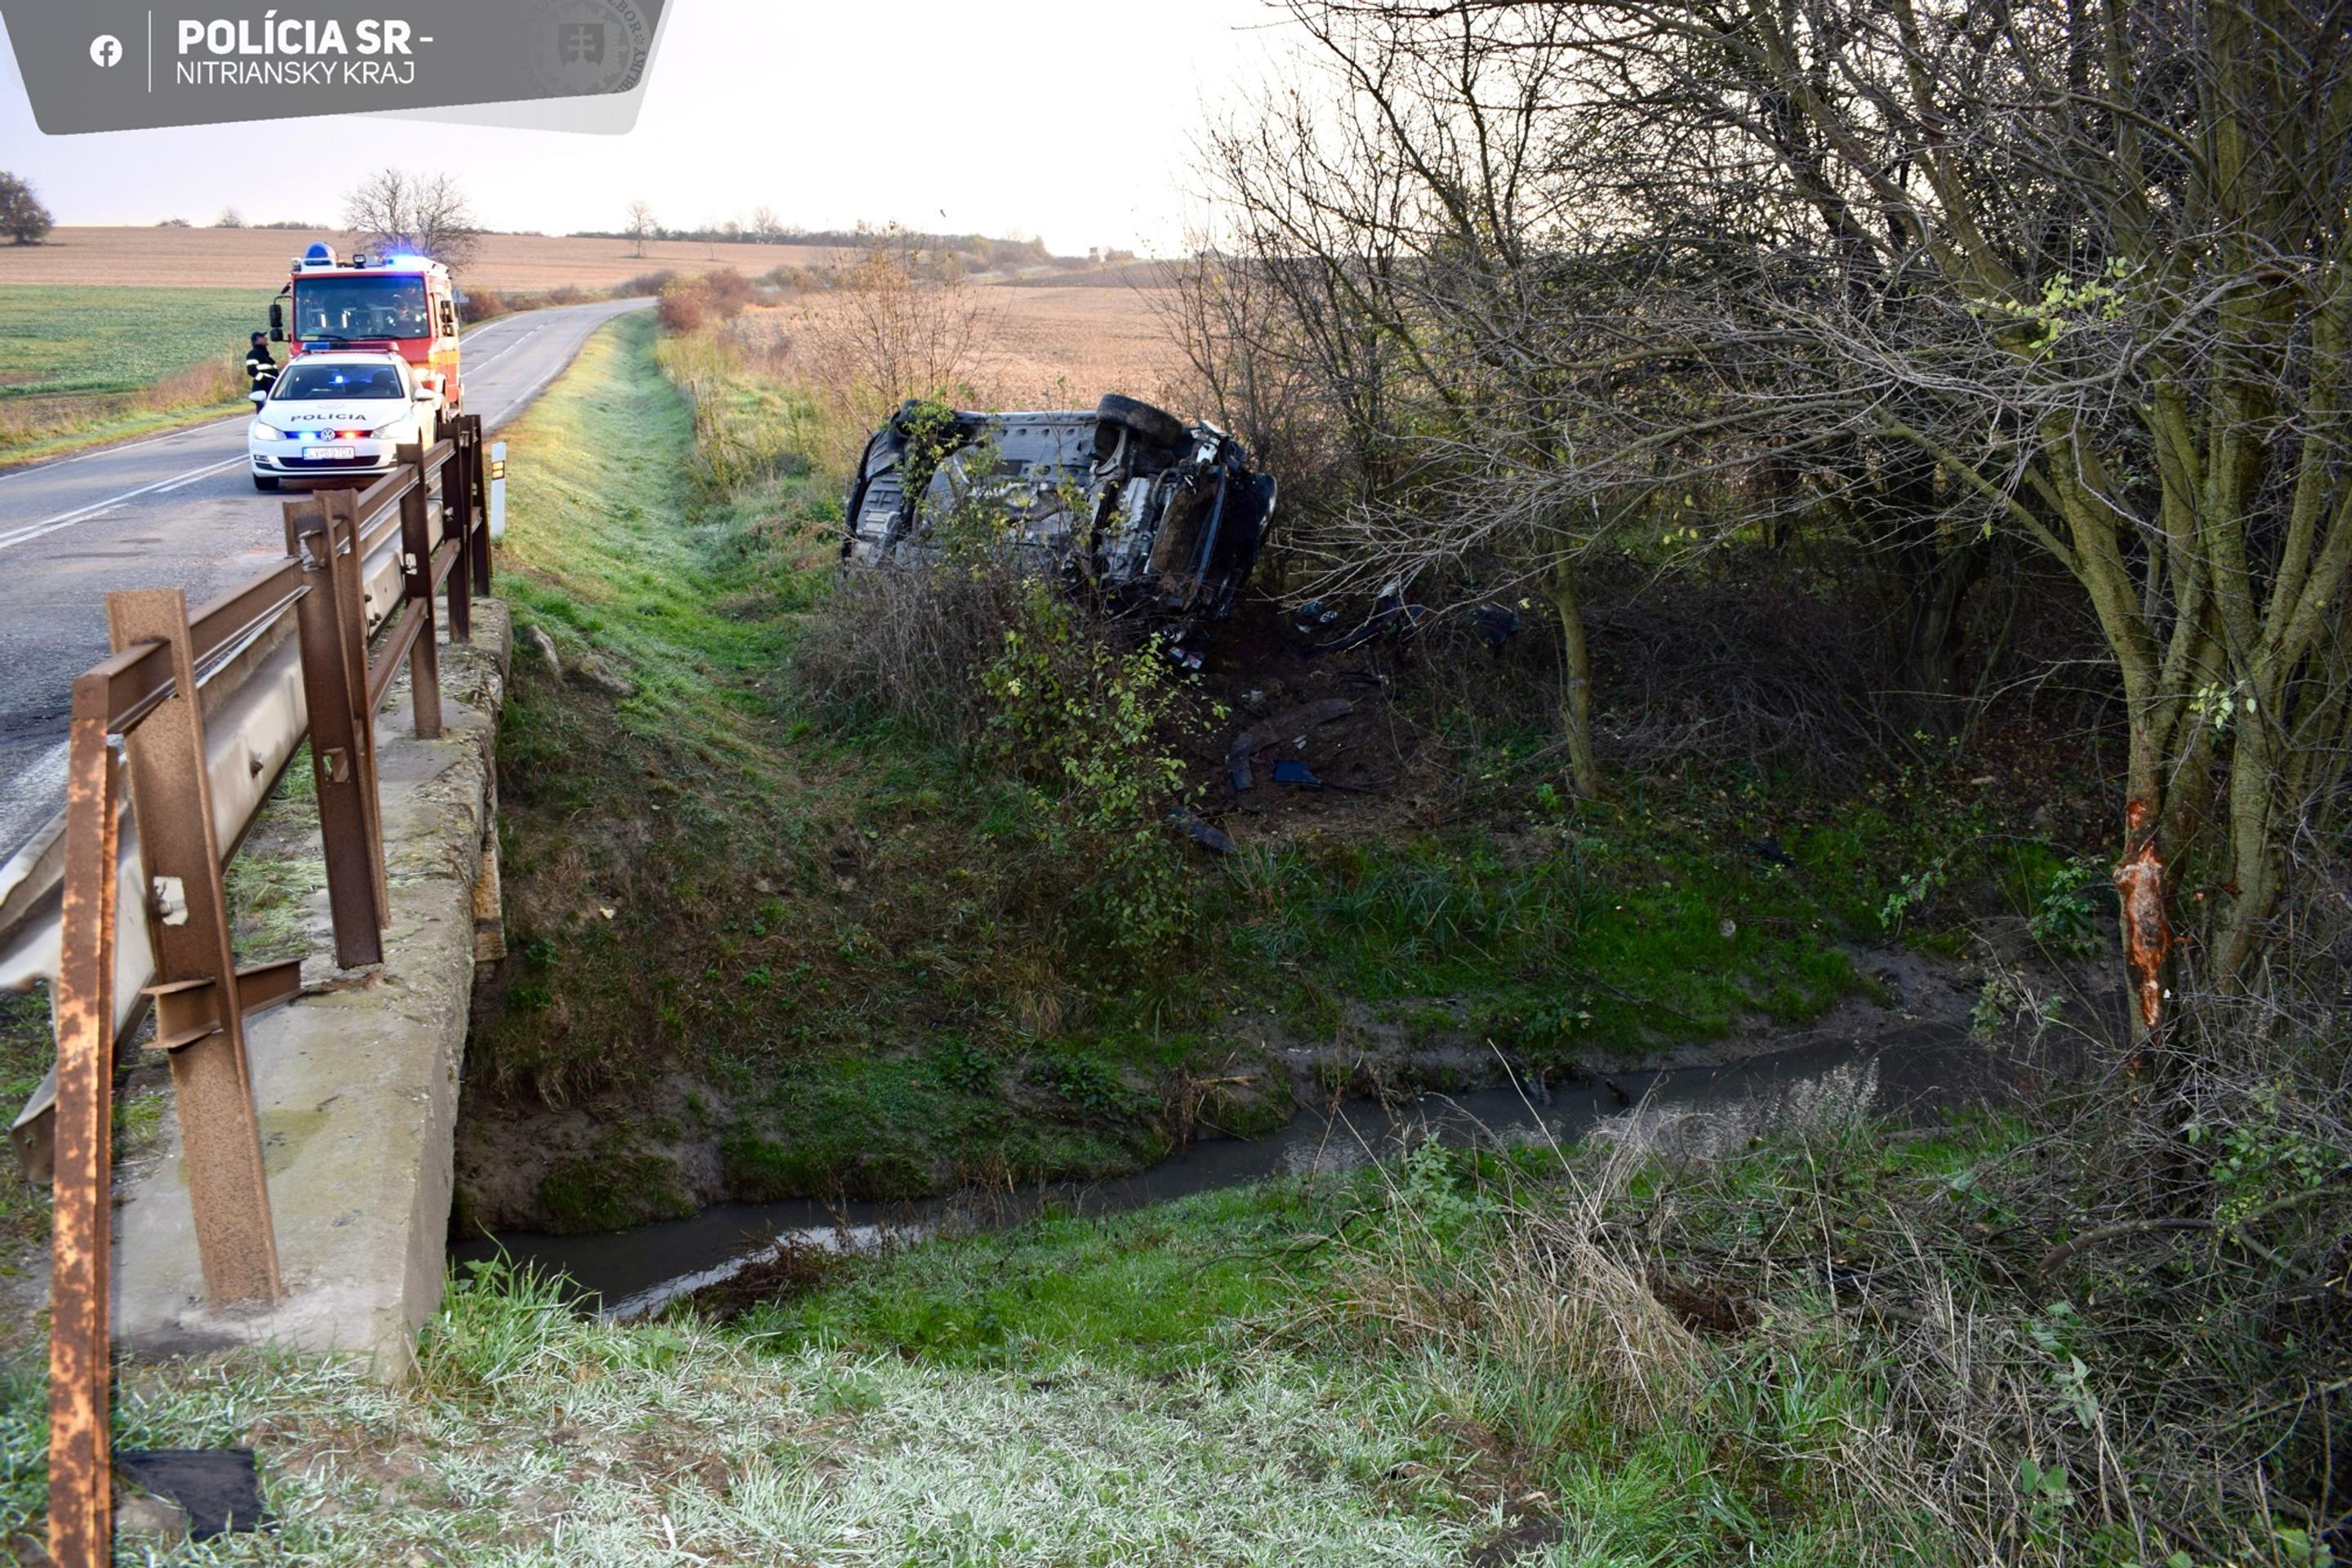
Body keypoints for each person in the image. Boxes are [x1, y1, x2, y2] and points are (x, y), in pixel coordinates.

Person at [243, 331, 278, 397]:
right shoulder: (253, 354)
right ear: (258, 339)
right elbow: (252, 371)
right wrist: (267, 380)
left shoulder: (268, 357)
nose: (266, 339)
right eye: (263, 337)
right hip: (261, 388)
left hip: (271, 388)